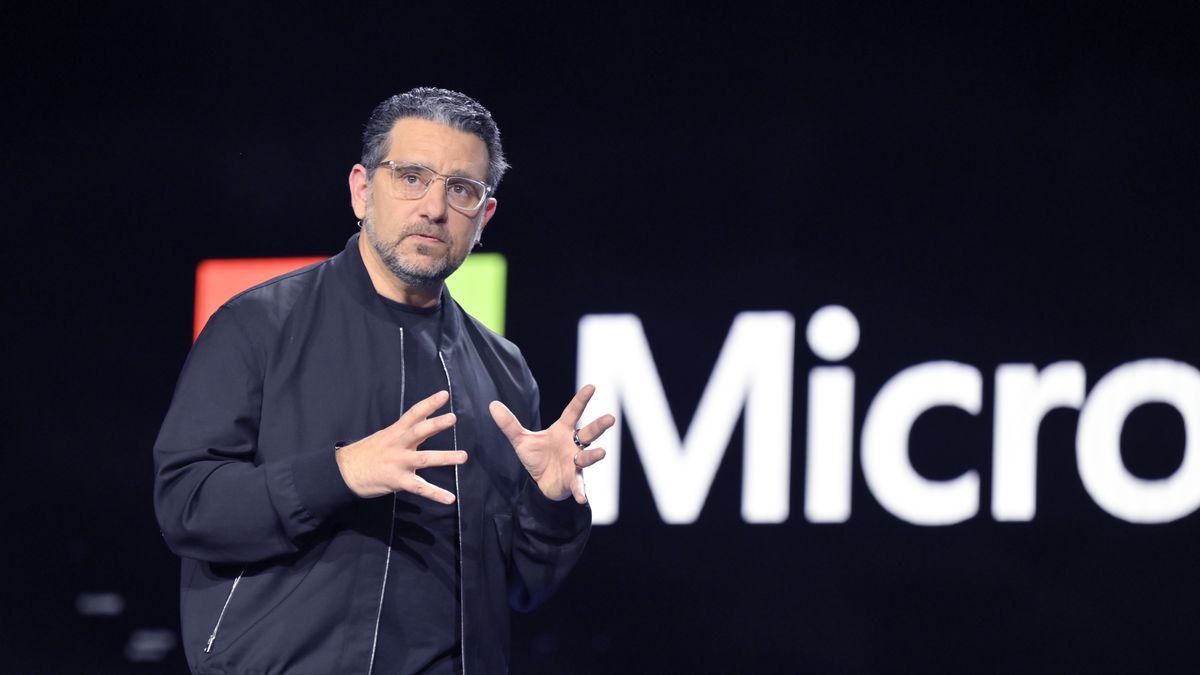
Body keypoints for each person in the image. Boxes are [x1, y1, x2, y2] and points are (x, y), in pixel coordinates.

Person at [154, 87, 614, 675]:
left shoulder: (503, 373)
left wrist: (549, 507)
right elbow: (187, 505)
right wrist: (340, 472)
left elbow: (520, 588)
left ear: (484, 219)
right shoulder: (259, 325)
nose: (434, 208)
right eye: (412, 177)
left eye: (462, 190)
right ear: (362, 189)